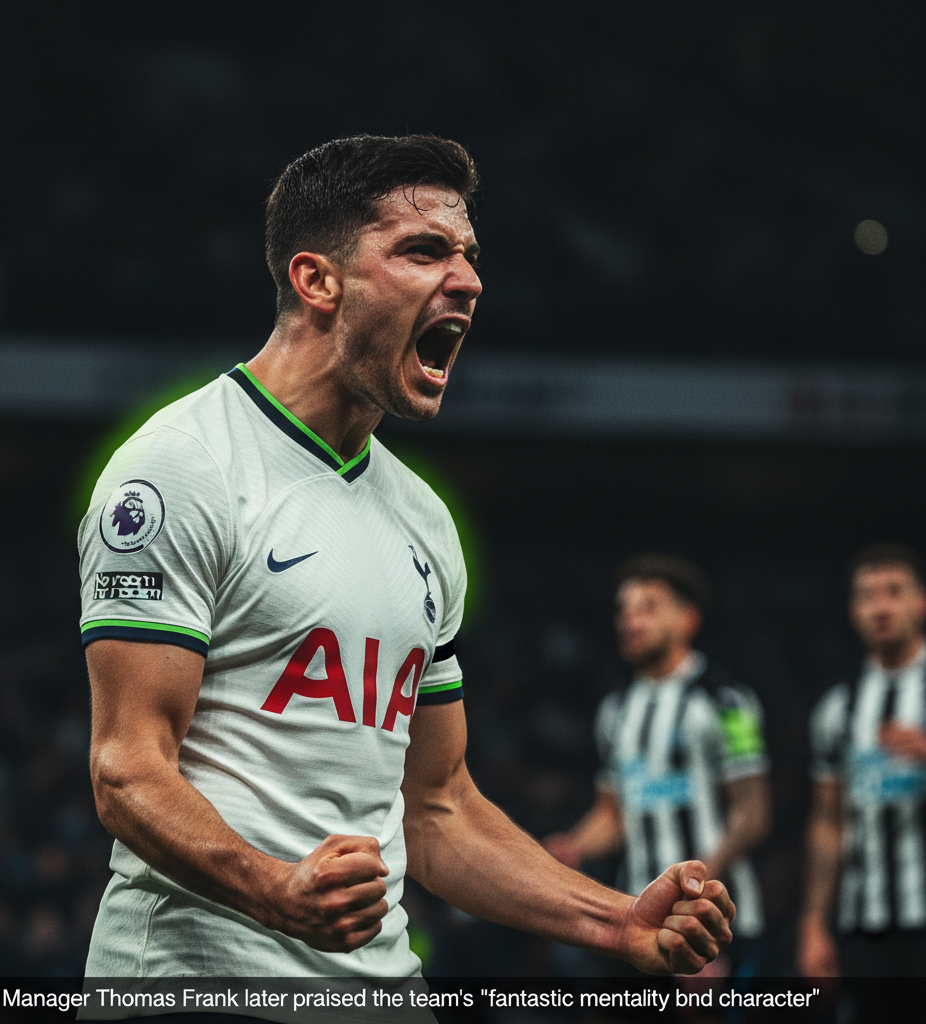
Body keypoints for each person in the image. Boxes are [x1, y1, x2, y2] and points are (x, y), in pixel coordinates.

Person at [77, 136, 734, 991]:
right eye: (423, 251)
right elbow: (127, 771)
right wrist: (274, 891)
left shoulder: (424, 520)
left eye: (469, 256)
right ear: (317, 281)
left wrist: (617, 923)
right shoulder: (182, 468)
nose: (468, 281)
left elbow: (437, 809)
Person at [545, 553, 771, 976]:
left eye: (647, 608)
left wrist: (696, 902)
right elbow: (613, 814)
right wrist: (573, 847)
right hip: (637, 921)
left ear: (687, 620)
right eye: (624, 610)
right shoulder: (615, 710)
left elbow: (752, 814)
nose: (630, 621)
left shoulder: (728, 703)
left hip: (717, 923)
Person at [798, 543, 926, 979]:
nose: (881, 607)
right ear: (854, 612)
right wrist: (813, 923)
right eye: (868, 596)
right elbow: (827, 821)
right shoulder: (838, 708)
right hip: (864, 921)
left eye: (894, 591)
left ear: (920, 602)